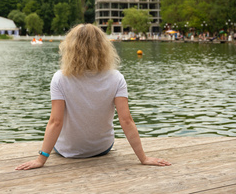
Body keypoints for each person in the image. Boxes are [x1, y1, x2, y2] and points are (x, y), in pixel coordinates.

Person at [15, 24, 171, 170]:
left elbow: (56, 122)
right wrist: (143, 158)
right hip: (102, 148)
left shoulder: (60, 78)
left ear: (70, 48)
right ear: (103, 48)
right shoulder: (116, 78)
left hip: (67, 151)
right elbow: (126, 120)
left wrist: (41, 159)